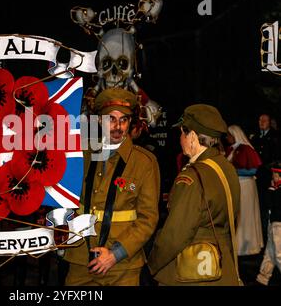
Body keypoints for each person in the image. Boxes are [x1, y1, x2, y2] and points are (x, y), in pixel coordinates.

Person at [64, 87, 160, 286]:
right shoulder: (82, 154)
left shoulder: (144, 162)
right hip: (81, 259)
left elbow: (148, 219)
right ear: (99, 120)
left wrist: (116, 254)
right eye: (111, 119)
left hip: (122, 266)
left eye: (123, 120)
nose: (118, 127)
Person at [148, 104, 241, 285]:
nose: (180, 139)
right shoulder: (226, 167)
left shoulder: (192, 177)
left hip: (194, 270)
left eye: (182, 134)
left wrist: (152, 262)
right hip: (223, 264)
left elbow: (176, 234)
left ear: (192, 136)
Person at [225, 125, 263, 256]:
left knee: (245, 215)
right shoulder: (231, 149)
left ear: (235, 135)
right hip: (236, 185)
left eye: (229, 135)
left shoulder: (246, 149)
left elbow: (253, 170)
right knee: (238, 215)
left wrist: (233, 171)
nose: (227, 137)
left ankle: (247, 247)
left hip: (246, 186)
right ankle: (237, 245)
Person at [250, 113, 280, 245]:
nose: (261, 122)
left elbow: (276, 157)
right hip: (257, 177)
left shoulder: (275, 137)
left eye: (264, 120)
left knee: (268, 206)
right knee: (259, 207)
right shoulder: (255, 137)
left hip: (268, 177)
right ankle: (261, 236)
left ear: (269, 122)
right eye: (260, 120)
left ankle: (270, 237)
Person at [256, 162, 281, 285]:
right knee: (270, 254)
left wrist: (271, 190)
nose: (273, 177)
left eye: (275, 175)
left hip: (279, 225)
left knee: (278, 254)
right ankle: (263, 278)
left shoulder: (276, 191)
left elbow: (269, 203)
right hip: (274, 224)